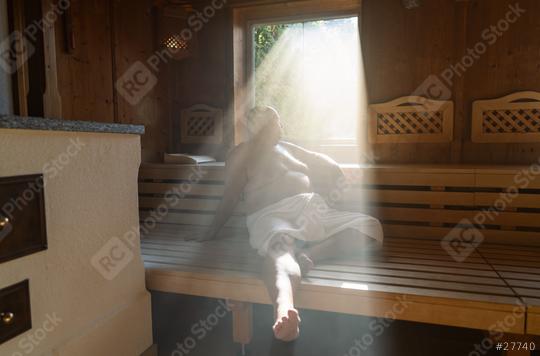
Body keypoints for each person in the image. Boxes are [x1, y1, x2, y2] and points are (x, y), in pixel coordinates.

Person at [196, 106, 383, 342]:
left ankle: (311, 255)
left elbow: (325, 163)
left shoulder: (288, 148)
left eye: (278, 122)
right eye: (274, 123)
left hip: (312, 209)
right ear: (257, 127)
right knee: (279, 252)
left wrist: (334, 174)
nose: (279, 127)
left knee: (370, 227)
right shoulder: (241, 153)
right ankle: (284, 309)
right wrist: (211, 231)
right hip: (271, 215)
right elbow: (230, 197)